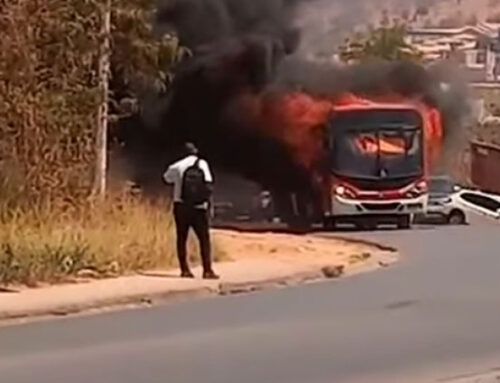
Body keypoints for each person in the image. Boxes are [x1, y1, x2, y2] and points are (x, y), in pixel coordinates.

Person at [163, 142, 219, 279]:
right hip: (199, 207)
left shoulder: (176, 166)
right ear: (195, 152)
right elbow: (208, 184)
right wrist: (209, 205)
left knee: (182, 238)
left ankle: (185, 270)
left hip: (181, 206)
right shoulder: (202, 164)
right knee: (204, 239)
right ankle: (207, 270)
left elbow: (166, 179)